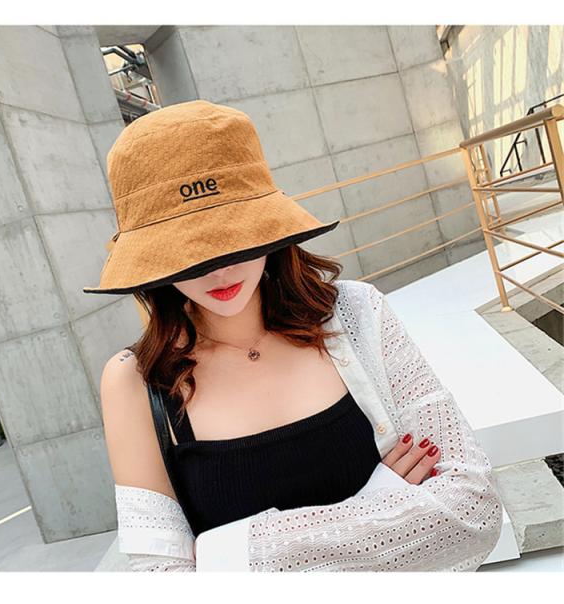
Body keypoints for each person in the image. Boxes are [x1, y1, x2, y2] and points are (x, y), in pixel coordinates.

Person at [83, 99, 503, 572]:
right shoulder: (135, 381)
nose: (219, 267)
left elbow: (472, 509)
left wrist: (234, 555)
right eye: (185, 247)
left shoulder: (357, 313)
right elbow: (161, 579)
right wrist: (380, 507)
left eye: (235, 231)